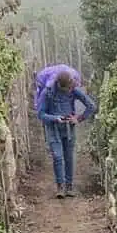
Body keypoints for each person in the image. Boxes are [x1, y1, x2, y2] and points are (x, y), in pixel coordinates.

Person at [37, 69, 96, 197]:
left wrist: (78, 118)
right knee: (57, 157)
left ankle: (69, 187)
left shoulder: (74, 90)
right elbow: (41, 114)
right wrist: (55, 118)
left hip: (69, 129)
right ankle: (60, 187)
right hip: (53, 129)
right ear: (59, 85)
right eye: (67, 88)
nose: (69, 90)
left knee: (68, 157)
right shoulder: (48, 93)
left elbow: (91, 105)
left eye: (71, 87)